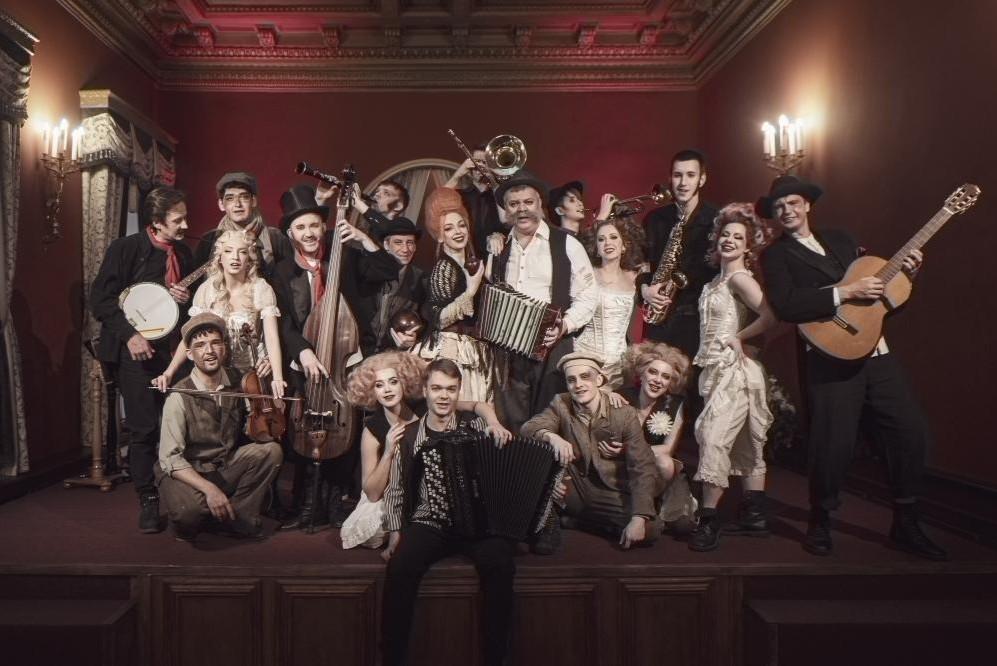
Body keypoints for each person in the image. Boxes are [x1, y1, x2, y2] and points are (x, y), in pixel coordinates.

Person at [758, 176, 946, 560]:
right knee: (832, 445)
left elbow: (880, 299)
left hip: (877, 354)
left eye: (793, 202)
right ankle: (820, 521)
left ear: (807, 204)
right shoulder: (775, 256)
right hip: (829, 359)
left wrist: (907, 275)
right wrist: (845, 292)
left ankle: (906, 522)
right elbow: (787, 305)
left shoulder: (842, 240)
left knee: (910, 434)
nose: (787, 210)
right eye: (779, 207)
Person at [270, 183, 393, 530]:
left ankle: (336, 501)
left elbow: (388, 269)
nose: (309, 233)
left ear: (323, 226)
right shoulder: (282, 271)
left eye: (313, 225)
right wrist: (304, 351)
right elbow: (284, 322)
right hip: (305, 361)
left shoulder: (347, 257)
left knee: (345, 430)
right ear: (290, 233)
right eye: (300, 227)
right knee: (304, 429)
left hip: (345, 358)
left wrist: (364, 237)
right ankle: (306, 502)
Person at [380, 359, 514, 666]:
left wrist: (496, 429)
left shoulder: (476, 427)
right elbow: (395, 488)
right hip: (430, 523)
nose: (443, 396)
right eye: (437, 388)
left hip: (477, 523)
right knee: (400, 569)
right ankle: (392, 658)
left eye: (451, 389)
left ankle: (496, 659)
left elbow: (501, 470)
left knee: (501, 563)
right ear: (425, 390)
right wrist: (395, 532)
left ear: (458, 391)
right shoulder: (409, 435)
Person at [90, 186, 194, 533]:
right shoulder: (126, 249)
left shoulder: (184, 253)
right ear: (157, 222)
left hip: (174, 353)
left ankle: (183, 495)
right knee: (144, 428)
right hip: (135, 354)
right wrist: (130, 335)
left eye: (185, 218)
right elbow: (100, 299)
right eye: (178, 220)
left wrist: (185, 296)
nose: (185, 225)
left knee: (180, 426)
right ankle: (148, 499)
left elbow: (187, 307)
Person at [687, 204, 777, 552]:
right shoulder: (716, 282)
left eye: (738, 238)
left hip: (734, 372)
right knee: (741, 442)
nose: (729, 241)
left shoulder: (740, 278)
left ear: (748, 245)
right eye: (725, 235)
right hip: (713, 369)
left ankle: (708, 519)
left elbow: (769, 315)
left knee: (713, 439)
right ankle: (755, 515)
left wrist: (740, 337)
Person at [155, 312, 283, 541]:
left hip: (223, 465)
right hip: (188, 470)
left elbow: (252, 425)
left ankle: (239, 515)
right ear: (189, 354)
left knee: (271, 451)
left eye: (215, 343)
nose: (209, 351)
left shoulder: (239, 382)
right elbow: (170, 458)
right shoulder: (178, 396)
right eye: (200, 345)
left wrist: (270, 411)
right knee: (189, 516)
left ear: (224, 348)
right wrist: (210, 489)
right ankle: (206, 512)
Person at [489, 170, 599, 433]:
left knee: (549, 425)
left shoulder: (567, 244)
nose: (522, 209)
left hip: (552, 349)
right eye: (514, 204)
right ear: (506, 210)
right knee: (511, 427)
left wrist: (565, 325)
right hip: (509, 353)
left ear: (540, 204)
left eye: (528, 202)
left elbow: (589, 294)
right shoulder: (499, 248)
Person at [522, 352, 664, 549]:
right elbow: (528, 428)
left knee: (651, 529)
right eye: (572, 380)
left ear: (598, 380)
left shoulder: (624, 413)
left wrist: (639, 517)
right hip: (572, 487)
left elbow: (642, 464)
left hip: (607, 489)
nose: (578, 385)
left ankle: (579, 522)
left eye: (585, 377)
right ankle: (551, 521)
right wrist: (552, 437)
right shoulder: (561, 403)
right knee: (530, 464)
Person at [154, 229, 285, 400]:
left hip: (253, 375)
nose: (235, 257)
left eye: (242, 252)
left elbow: (272, 337)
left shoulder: (261, 288)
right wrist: (169, 372)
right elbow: (190, 337)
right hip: (216, 375)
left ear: (249, 258)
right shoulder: (207, 290)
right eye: (228, 251)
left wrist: (277, 377)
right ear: (220, 258)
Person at [415, 186, 495, 401]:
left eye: (461, 225)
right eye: (449, 228)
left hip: (474, 348)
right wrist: (470, 290)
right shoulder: (444, 268)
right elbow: (439, 319)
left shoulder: (471, 262)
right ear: (440, 236)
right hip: (453, 351)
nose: (458, 232)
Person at [341, 351, 427, 549]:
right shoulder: (372, 430)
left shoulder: (424, 410)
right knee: (370, 531)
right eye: (379, 385)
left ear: (404, 382)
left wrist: (492, 419)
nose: (387, 390)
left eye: (393, 382)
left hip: (423, 487)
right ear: (371, 392)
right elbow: (372, 493)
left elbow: (470, 406)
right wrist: (388, 451)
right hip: (387, 493)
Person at [641, 150, 719, 360]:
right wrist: (645, 289)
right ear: (670, 178)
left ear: (702, 179)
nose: (683, 183)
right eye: (678, 175)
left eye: (690, 175)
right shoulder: (655, 219)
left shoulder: (716, 219)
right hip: (659, 319)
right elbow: (641, 263)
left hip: (698, 322)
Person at [618, 341, 698, 530]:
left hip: (658, 470)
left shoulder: (675, 404)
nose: (658, 380)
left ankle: (654, 503)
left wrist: (629, 448)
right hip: (622, 464)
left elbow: (667, 449)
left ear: (671, 382)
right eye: (653, 372)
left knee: (682, 526)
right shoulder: (621, 396)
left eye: (665, 376)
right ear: (641, 373)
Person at [574, 217, 647, 388]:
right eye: (601, 239)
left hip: (618, 365)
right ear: (596, 249)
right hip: (585, 357)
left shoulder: (634, 277)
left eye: (613, 237)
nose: (607, 242)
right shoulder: (588, 274)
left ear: (624, 245)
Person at [194, 171, 292, 276]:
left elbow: (288, 280)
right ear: (221, 204)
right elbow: (198, 283)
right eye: (230, 198)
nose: (237, 204)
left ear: (253, 201)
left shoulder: (276, 238)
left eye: (244, 197)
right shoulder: (209, 241)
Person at [444, 142, 506, 257]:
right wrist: (458, 174)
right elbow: (439, 200)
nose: (480, 166)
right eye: (477, 161)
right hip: (465, 257)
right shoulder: (460, 195)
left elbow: (506, 221)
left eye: (485, 162)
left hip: (496, 258)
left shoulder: (500, 194)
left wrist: (494, 184)